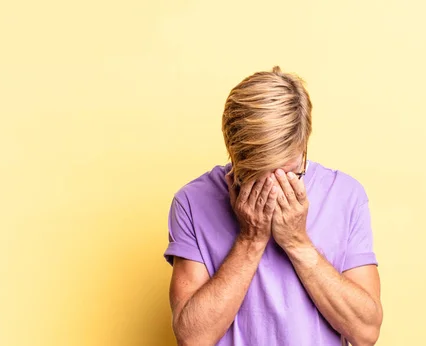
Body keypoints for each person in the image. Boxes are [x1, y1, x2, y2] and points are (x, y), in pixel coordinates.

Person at [164, 66, 383, 346]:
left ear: (303, 146)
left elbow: (366, 333)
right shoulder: (192, 202)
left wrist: (297, 242)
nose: (273, 189)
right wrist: (250, 239)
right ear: (234, 153)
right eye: (256, 176)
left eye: (290, 173)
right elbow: (192, 339)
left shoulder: (345, 194)